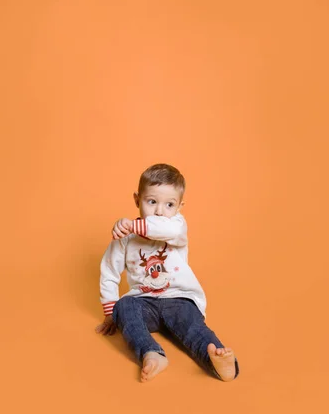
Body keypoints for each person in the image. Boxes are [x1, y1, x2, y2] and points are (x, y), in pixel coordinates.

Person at [95, 163, 239, 382]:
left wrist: (132, 225)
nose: (160, 211)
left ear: (180, 207)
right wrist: (110, 313)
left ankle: (219, 360)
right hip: (144, 302)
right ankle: (150, 352)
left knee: (193, 329)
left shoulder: (177, 227)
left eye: (169, 205)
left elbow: (165, 227)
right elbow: (109, 271)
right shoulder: (126, 238)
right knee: (123, 307)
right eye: (151, 202)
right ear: (137, 200)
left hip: (179, 299)